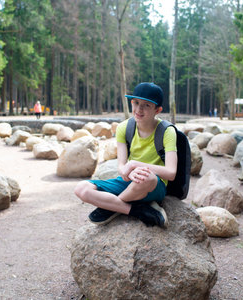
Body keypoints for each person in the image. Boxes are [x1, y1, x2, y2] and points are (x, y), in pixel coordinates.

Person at [74, 82, 177, 228]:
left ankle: (110, 208)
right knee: (81, 189)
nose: (139, 109)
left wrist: (135, 165)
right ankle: (136, 210)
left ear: (157, 110)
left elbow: (171, 173)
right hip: (130, 181)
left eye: (147, 105)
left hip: (153, 184)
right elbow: (122, 168)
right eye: (136, 102)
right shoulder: (124, 128)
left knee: (146, 177)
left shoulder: (167, 131)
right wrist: (127, 171)